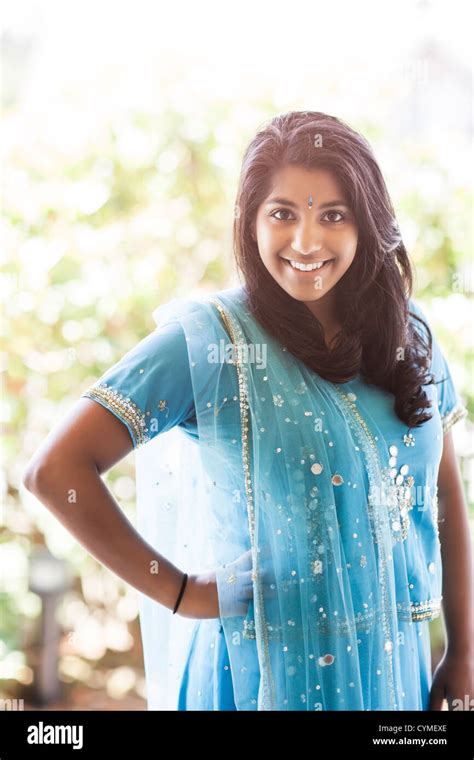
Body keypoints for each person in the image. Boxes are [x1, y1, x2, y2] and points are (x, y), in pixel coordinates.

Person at [23, 110, 473, 711]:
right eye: (282, 214)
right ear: (250, 223)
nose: (306, 242)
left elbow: (445, 494)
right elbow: (55, 471)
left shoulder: (408, 335)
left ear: (368, 223)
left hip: (396, 676)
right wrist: (183, 593)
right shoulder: (215, 342)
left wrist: (464, 652)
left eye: (332, 216)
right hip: (264, 676)